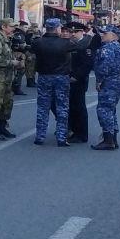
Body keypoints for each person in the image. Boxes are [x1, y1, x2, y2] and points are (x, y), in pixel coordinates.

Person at [31, 17, 75, 146]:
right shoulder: (66, 43)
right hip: (61, 77)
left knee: (43, 107)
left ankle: (40, 136)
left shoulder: (38, 42)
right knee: (62, 107)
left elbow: (33, 52)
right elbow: (80, 46)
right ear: (57, 28)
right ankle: (61, 137)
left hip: (44, 76)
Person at [90, 25, 120, 150]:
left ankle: (108, 140)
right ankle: (113, 138)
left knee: (104, 109)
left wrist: (99, 80)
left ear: (113, 35)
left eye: (105, 33)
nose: (101, 34)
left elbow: (104, 67)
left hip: (109, 82)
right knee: (111, 109)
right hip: (119, 81)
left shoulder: (107, 48)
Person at [66, 22, 95, 144]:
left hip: (79, 80)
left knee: (79, 106)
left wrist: (76, 77)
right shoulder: (69, 43)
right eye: (71, 32)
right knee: (71, 106)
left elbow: (87, 64)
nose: (73, 34)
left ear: (82, 32)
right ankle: (72, 130)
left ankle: (81, 134)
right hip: (67, 78)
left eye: (75, 32)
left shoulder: (87, 44)